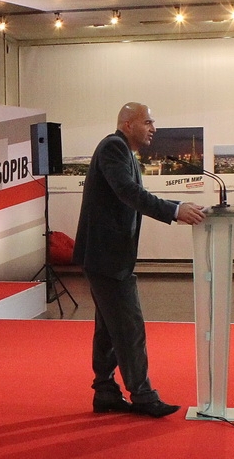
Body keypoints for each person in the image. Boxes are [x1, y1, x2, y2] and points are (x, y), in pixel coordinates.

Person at [73, 102, 206, 418]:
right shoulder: (113, 147)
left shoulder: (123, 151)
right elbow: (128, 192)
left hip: (106, 256)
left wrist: (177, 206)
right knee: (129, 327)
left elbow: (129, 195)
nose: (153, 128)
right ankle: (143, 396)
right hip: (106, 257)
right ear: (128, 124)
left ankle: (105, 391)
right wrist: (174, 211)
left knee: (109, 329)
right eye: (147, 122)